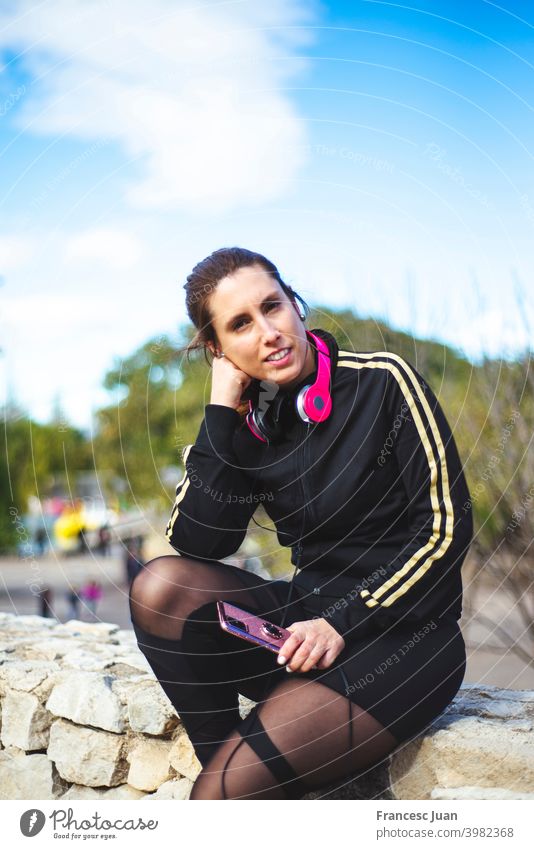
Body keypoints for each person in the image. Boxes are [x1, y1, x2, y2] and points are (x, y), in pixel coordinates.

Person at [128, 247, 473, 800]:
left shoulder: (383, 383)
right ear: (219, 350)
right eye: (241, 324)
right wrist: (221, 412)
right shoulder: (246, 424)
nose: (268, 331)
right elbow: (201, 541)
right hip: (302, 634)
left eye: (273, 306)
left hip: (402, 643)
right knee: (159, 588)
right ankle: (227, 772)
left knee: (217, 798)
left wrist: (342, 622)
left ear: (296, 305)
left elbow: (447, 529)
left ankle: (228, 786)